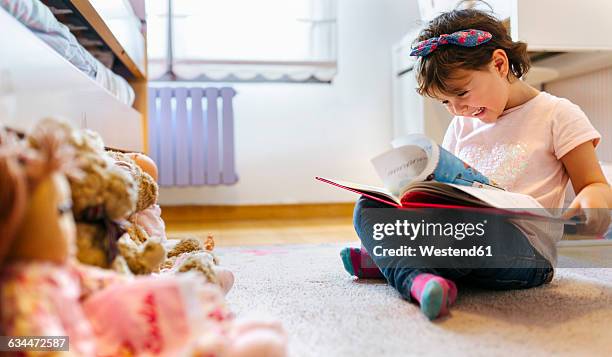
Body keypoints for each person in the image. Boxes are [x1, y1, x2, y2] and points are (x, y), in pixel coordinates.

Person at [340, 7, 612, 320]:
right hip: (465, 235)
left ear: (499, 64)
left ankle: (396, 262)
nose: (457, 110)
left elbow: (594, 183)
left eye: (462, 93)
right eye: (445, 102)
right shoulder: (462, 124)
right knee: (369, 207)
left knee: (472, 230)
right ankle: (418, 277)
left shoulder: (557, 114)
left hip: (525, 251)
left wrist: (592, 203)